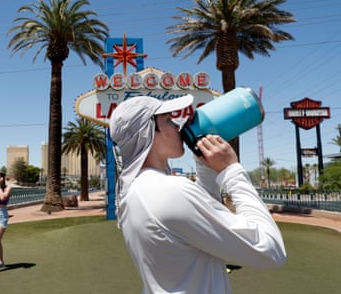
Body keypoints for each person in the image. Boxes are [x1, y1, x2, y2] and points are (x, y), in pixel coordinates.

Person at [109, 95, 286, 294]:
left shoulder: (138, 189)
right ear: (148, 132)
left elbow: (203, 221)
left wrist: (204, 165)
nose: (177, 126)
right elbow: (271, 251)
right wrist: (232, 171)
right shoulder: (169, 190)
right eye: (168, 120)